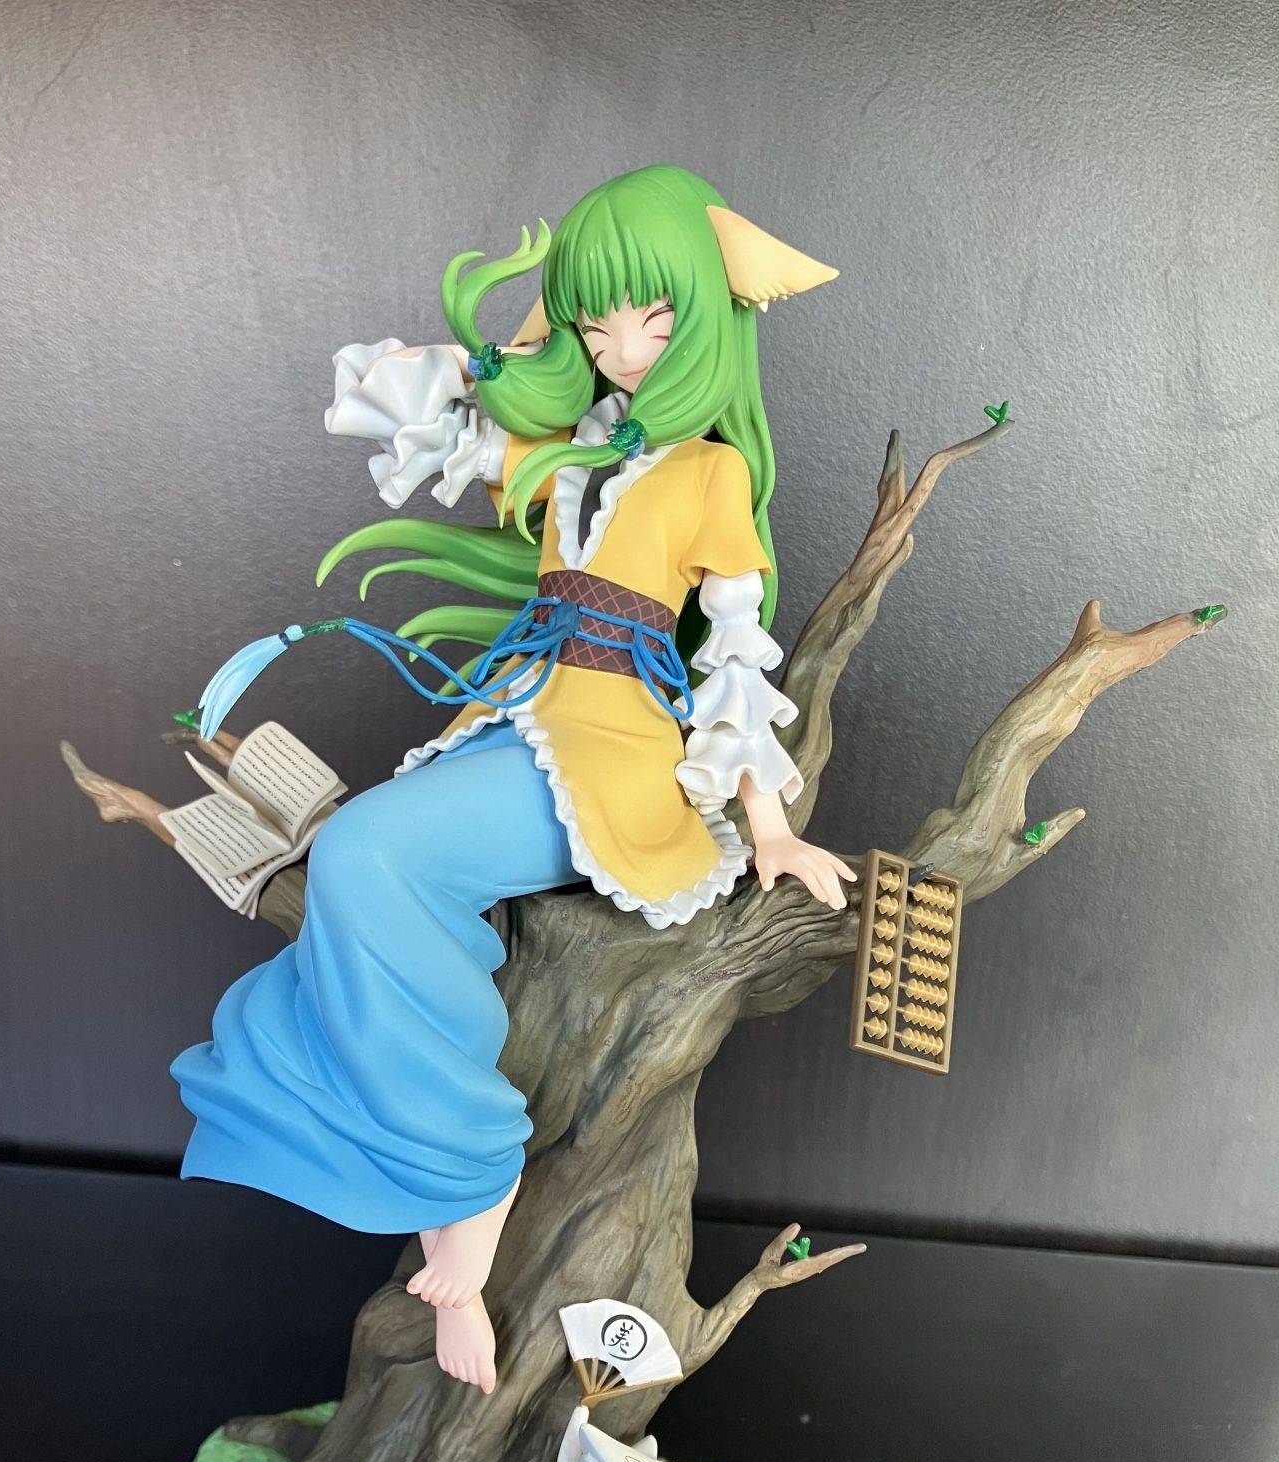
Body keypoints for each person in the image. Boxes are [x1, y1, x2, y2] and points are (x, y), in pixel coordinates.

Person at [170, 165, 855, 1395]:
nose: (625, 350)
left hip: (613, 751)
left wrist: (770, 825)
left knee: (366, 854)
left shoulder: (710, 475)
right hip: (517, 718)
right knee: (365, 857)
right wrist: (508, 357)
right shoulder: (567, 444)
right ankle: (448, 1188)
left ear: (706, 316)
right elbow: (400, 405)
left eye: (655, 319)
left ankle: (470, 1178)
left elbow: (738, 658)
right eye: (598, 324)